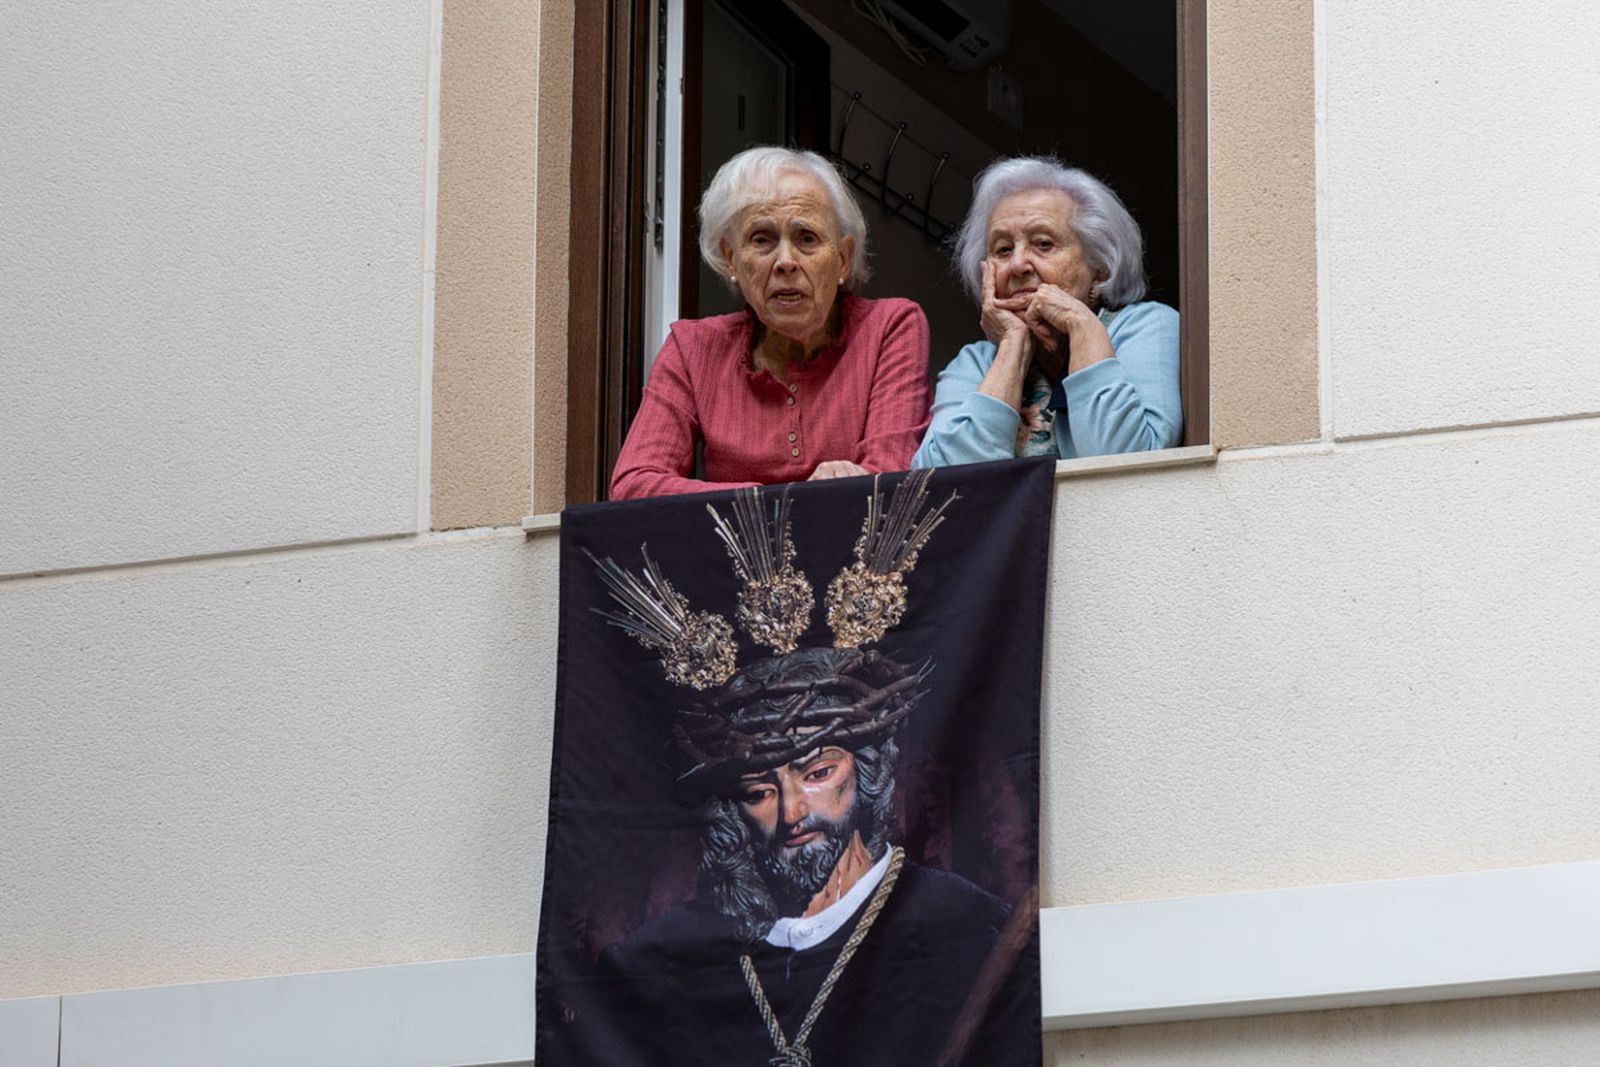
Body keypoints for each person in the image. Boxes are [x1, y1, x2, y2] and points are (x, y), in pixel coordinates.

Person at [553, 649, 1038, 1067]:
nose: (792, 813)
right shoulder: (657, 961)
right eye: (760, 791)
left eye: (818, 772)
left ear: (865, 770)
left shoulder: (968, 927)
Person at [610, 146, 931, 499]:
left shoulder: (890, 327)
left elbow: (889, 482)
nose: (785, 262)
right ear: (731, 260)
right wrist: (774, 501)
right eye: (762, 239)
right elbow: (633, 485)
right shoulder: (693, 349)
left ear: (843, 259)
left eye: (806, 238)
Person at [912, 157, 1182, 467]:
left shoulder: (1146, 327)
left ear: (1100, 267)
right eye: (1002, 250)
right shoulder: (977, 362)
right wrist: (1013, 346)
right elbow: (940, 486)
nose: (1017, 265)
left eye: (1043, 244)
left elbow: (1130, 467)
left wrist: (1081, 326)